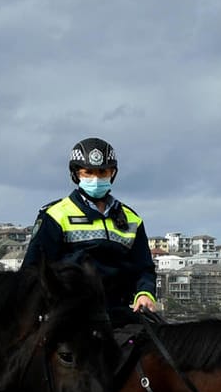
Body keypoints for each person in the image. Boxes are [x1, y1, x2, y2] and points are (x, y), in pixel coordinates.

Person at [21, 137, 161, 322]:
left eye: (102, 171)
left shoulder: (132, 219)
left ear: (112, 173)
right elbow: (32, 269)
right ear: (76, 174)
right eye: (89, 172)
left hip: (118, 310)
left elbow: (144, 268)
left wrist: (144, 293)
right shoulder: (55, 215)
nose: (96, 178)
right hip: (71, 312)